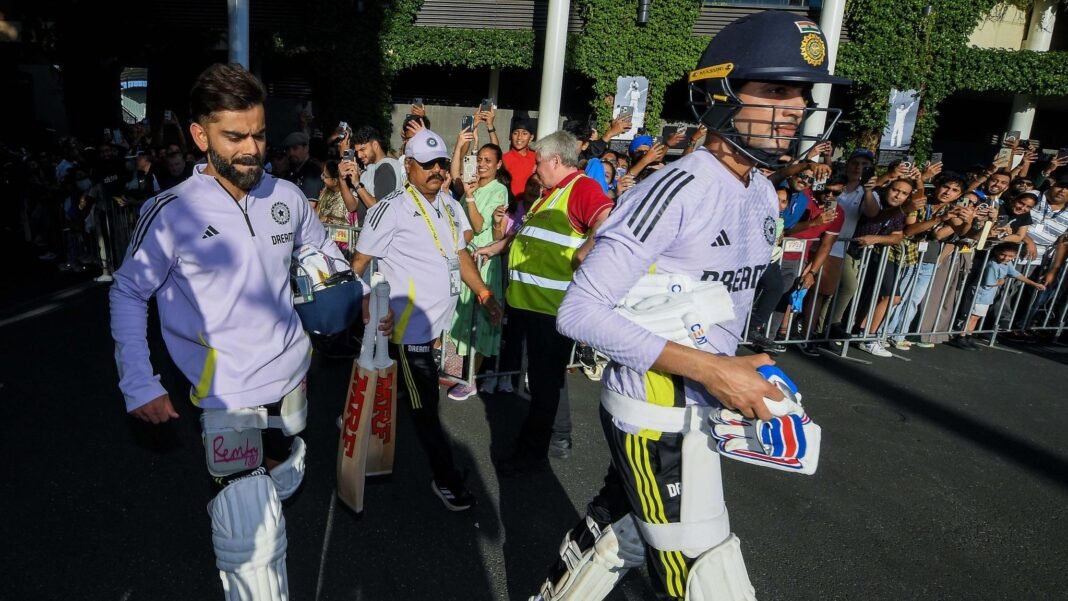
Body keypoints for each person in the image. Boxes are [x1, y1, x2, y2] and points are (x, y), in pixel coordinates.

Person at [530, 12, 847, 600]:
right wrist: (713, 369)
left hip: (700, 405)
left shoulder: (759, 191)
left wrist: (738, 358)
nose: (797, 108)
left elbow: (711, 299)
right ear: (722, 95)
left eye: (801, 94)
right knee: (705, 579)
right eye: (776, 91)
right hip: (657, 410)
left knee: (618, 538)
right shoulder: (677, 188)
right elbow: (578, 313)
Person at [108, 63, 375, 601]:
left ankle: (277, 466)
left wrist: (359, 296)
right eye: (236, 137)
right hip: (224, 393)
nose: (252, 148)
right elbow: (128, 292)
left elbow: (317, 249)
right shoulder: (170, 212)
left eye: (258, 134)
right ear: (200, 136)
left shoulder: (287, 196)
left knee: (280, 470)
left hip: (292, 376)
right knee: (251, 539)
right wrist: (139, 381)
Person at [350, 128, 503, 511]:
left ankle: (359, 423)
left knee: (397, 392)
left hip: (438, 327)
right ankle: (447, 480)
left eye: (440, 163)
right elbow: (359, 263)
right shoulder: (391, 208)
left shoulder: (449, 204)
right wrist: (367, 298)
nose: (436, 170)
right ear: (408, 166)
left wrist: (484, 294)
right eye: (427, 164)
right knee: (425, 409)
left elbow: (460, 255)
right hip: (405, 329)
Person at [501, 130, 614, 475]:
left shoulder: (581, 188)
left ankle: (531, 456)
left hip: (552, 309)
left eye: (538, 162)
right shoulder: (554, 193)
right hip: (535, 306)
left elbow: (609, 221)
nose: (535, 169)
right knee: (546, 380)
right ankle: (550, 441)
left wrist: (587, 249)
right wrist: (498, 247)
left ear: (555, 160)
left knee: (546, 384)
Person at [446, 140, 511, 400]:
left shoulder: (499, 191)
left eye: (488, 160)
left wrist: (470, 196)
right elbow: (454, 174)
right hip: (464, 261)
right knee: (459, 316)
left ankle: (471, 379)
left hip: (483, 263)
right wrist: (460, 145)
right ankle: (457, 371)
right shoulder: (468, 188)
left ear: (498, 165)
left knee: (482, 322)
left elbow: (480, 224)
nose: (482, 164)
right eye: (479, 159)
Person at [948, 243, 1045, 350]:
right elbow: (990, 282)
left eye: (1010, 256)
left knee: (976, 317)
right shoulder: (992, 265)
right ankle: (961, 336)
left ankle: (968, 336)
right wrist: (1001, 282)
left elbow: (1016, 274)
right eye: (1003, 255)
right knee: (971, 316)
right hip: (980, 294)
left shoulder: (1007, 264)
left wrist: (1034, 284)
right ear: (997, 253)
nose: (1006, 258)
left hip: (987, 296)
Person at [502, 116, 537, 199]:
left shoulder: (537, 158)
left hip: (532, 204)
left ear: (531, 137)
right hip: (511, 205)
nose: (519, 137)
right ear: (511, 136)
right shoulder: (504, 158)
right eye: (515, 133)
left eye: (524, 133)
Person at [282, 130, 322, 200]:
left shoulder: (313, 172)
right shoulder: (291, 172)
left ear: (306, 148)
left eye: (295, 148)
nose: (291, 153)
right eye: (288, 149)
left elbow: (310, 202)